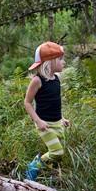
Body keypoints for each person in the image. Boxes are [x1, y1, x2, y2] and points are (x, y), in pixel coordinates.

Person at [23, 41, 70, 181]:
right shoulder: (37, 81)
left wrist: (62, 118)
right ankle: (34, 166)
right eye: (60, 59)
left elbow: (54, 103)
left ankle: (50, 174)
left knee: (57, 154)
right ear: (49, 62)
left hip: (57, 123)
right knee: (57, 152)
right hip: (45, 124)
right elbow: (27, 102)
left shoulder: (56, 79)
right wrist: (38, 121)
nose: (64, 62)